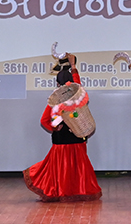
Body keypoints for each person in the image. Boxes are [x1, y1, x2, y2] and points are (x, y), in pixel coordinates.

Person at [24, 54, 102, 202]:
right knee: (79, 167)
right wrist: (73, 66)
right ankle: (80, 190)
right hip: (78, 137)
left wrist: (55, 127)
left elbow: (44, 120)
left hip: (61, 141)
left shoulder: (56, 100)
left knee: (60, 168)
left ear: (57, 83)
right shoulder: (77, 96)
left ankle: (62, 191)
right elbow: (77, 83)